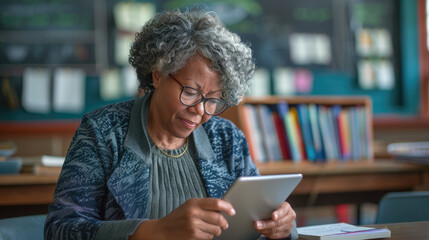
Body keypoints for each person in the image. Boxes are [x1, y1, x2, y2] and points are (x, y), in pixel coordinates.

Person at [44, 8, 298, 240]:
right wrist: (158, 231)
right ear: (158, 74)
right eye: (189, 92)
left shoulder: (226, 138)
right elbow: (60, 230)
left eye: (212, 100)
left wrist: (282, 226)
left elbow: (257, 217)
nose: (199, 110)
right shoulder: (102, 132)